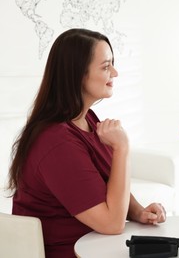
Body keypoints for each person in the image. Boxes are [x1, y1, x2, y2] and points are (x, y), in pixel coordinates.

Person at [7, 28, 166, 258]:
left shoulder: (86, 118)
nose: (115, 72)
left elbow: (102, 184)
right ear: (78, 74)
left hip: (97, 246)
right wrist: (122, 149)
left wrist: (138, 212)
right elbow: (112, 224)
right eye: (105, 66)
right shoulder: (56, 142)